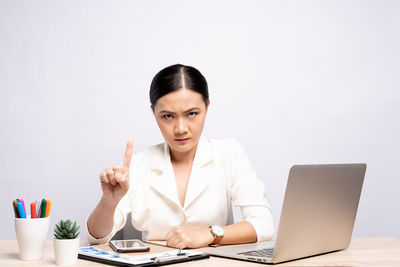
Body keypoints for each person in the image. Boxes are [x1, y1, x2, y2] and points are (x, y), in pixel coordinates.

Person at [86, 64, 274, 249]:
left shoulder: (229, 154)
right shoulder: (138, 164)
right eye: (168, 116)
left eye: (191, 114)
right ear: (154, 113)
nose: (181, 128)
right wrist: (109, 202)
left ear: (207, 107)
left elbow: (263, 225)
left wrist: (207, 235)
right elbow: (97, 238)